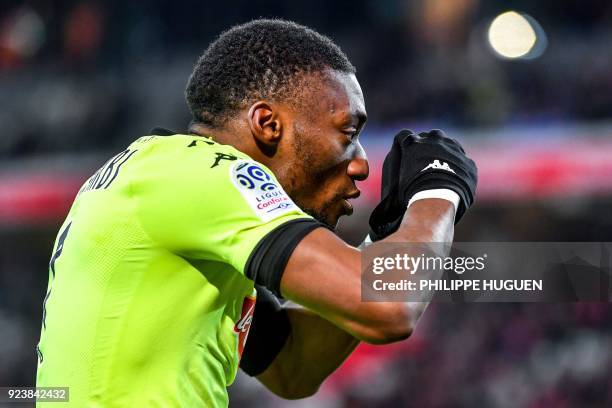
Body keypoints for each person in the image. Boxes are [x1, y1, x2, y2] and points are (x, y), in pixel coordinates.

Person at [36, 19, 477, 406]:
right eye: (347, 133)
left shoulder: (166, 179)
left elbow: (291, 367)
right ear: (268, 124)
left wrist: (385, 236)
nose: (361, 162)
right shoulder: (203, 174)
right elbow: (391, 307)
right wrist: (438, 190)